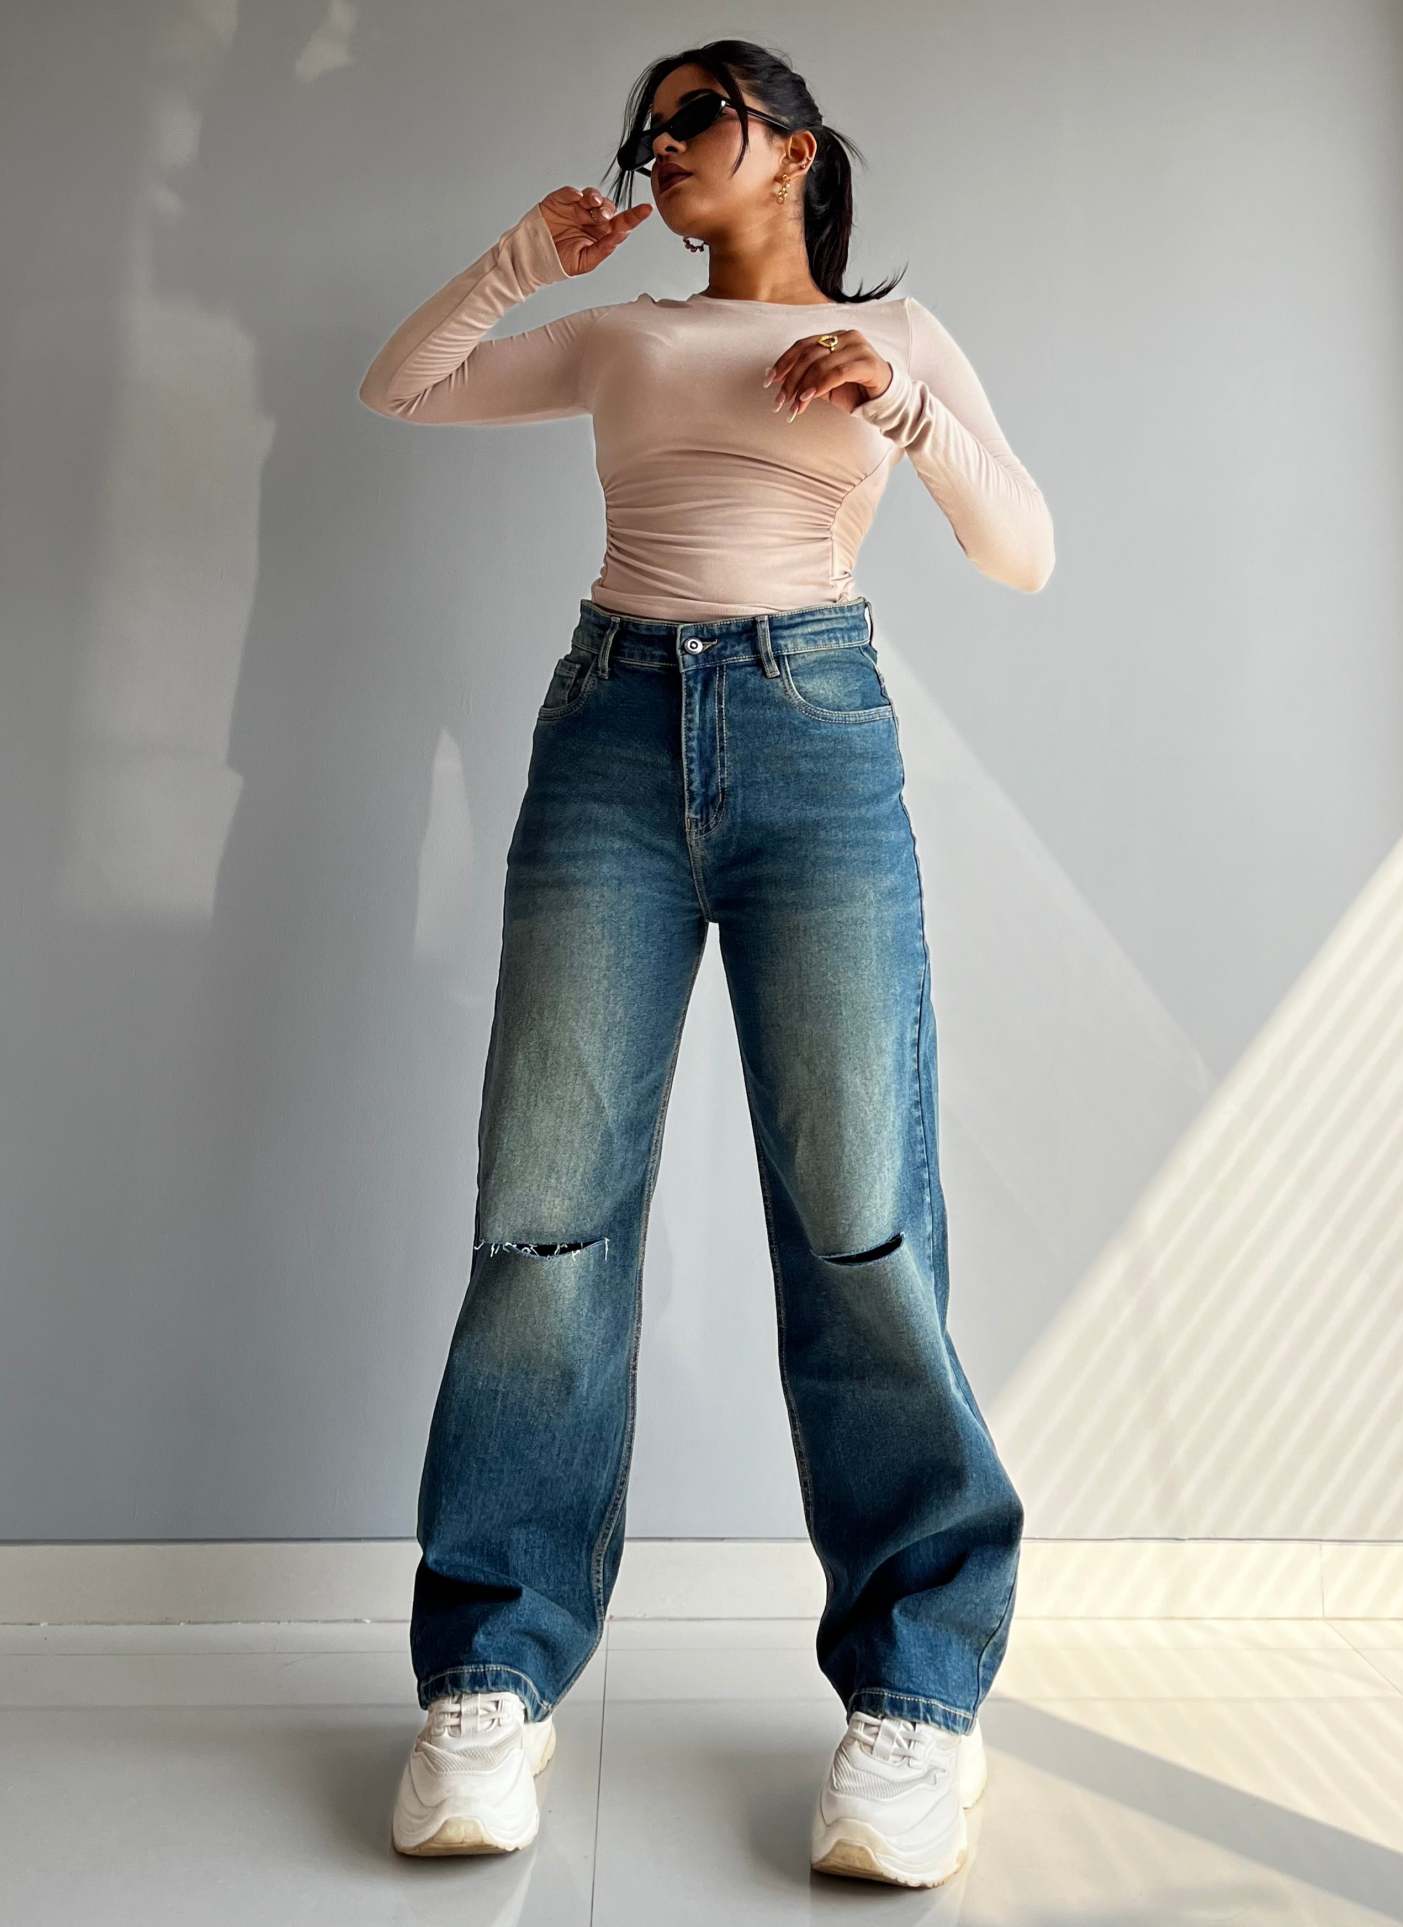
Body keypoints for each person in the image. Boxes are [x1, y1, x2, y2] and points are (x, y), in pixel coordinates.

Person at [362, 38, 1052, 1891]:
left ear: (794, 148)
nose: (658, 145)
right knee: (545, 1215)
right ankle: (488, 1680)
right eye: (645, 126)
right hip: (606, 733)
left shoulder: (895, 331)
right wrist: (529, 257)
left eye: (695, 116)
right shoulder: (625, 335)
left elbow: (1022, 549)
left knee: (859, 1217)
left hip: (813, 736)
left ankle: (916, 1699)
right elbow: (401, 384)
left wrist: (904, 408)